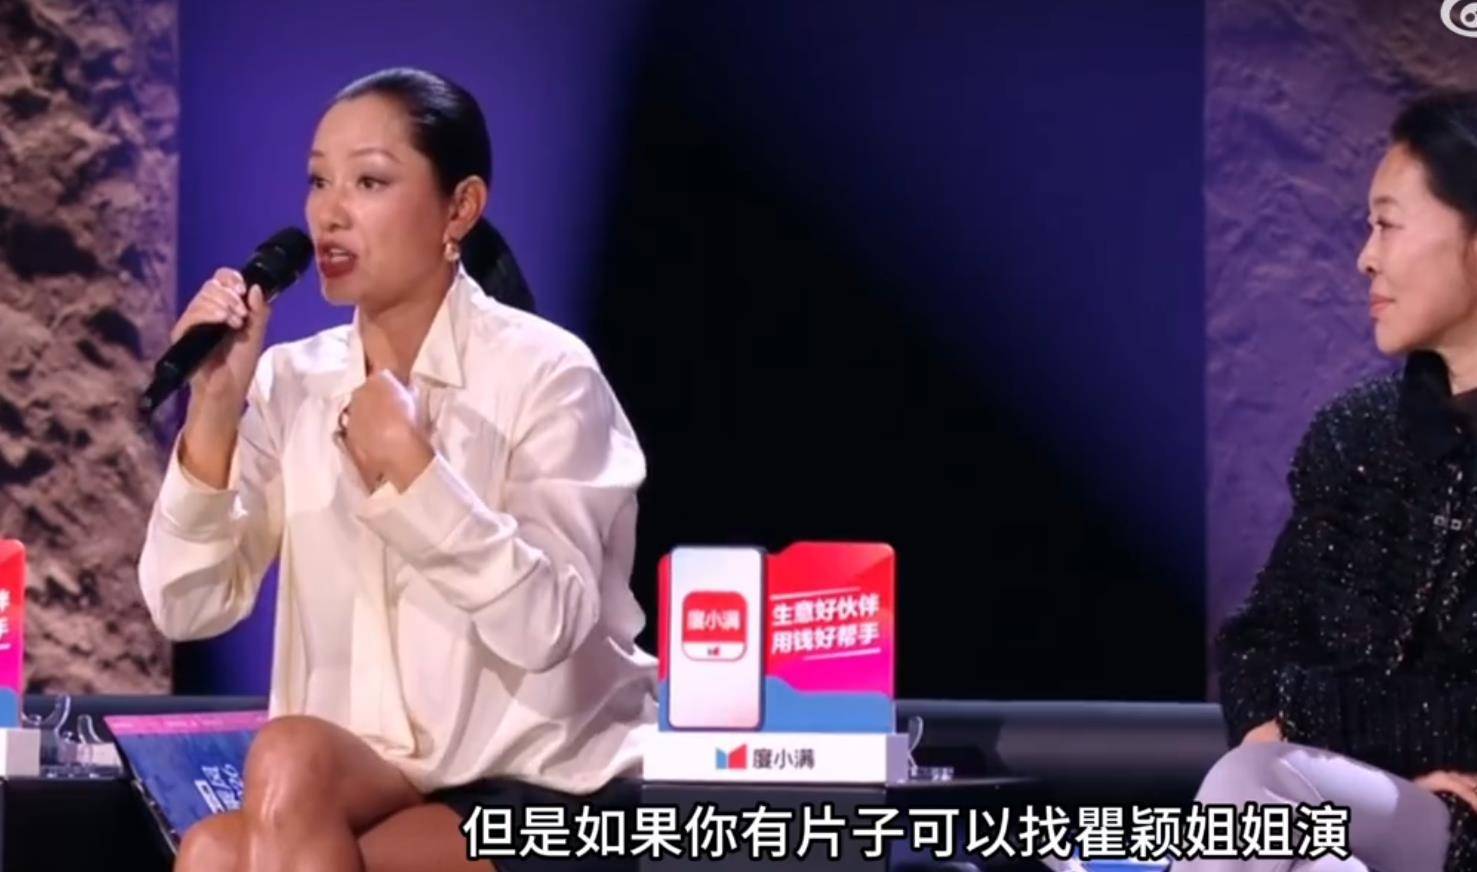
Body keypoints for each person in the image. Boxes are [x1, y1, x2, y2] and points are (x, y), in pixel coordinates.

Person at [137, 67, 656, 872]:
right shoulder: (292, 382)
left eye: (370, 182)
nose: (329, 213)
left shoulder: (547, 374)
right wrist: (213, 409)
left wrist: (416, 475)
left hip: (549, 788)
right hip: (369, 780)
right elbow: (185, 606)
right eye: (319, 181)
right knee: (251, 801)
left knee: (225, 847)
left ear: (461, 208)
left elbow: (547, 626)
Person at [1176, 90, 1477, 871]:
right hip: (1359, 814)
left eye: (1387, 224)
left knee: (1258, 784)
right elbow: (1256, 643)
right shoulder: (1358, 433)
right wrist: (1345, 739)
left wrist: (1309, 714)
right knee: (1298, 839)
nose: (1364, 258)